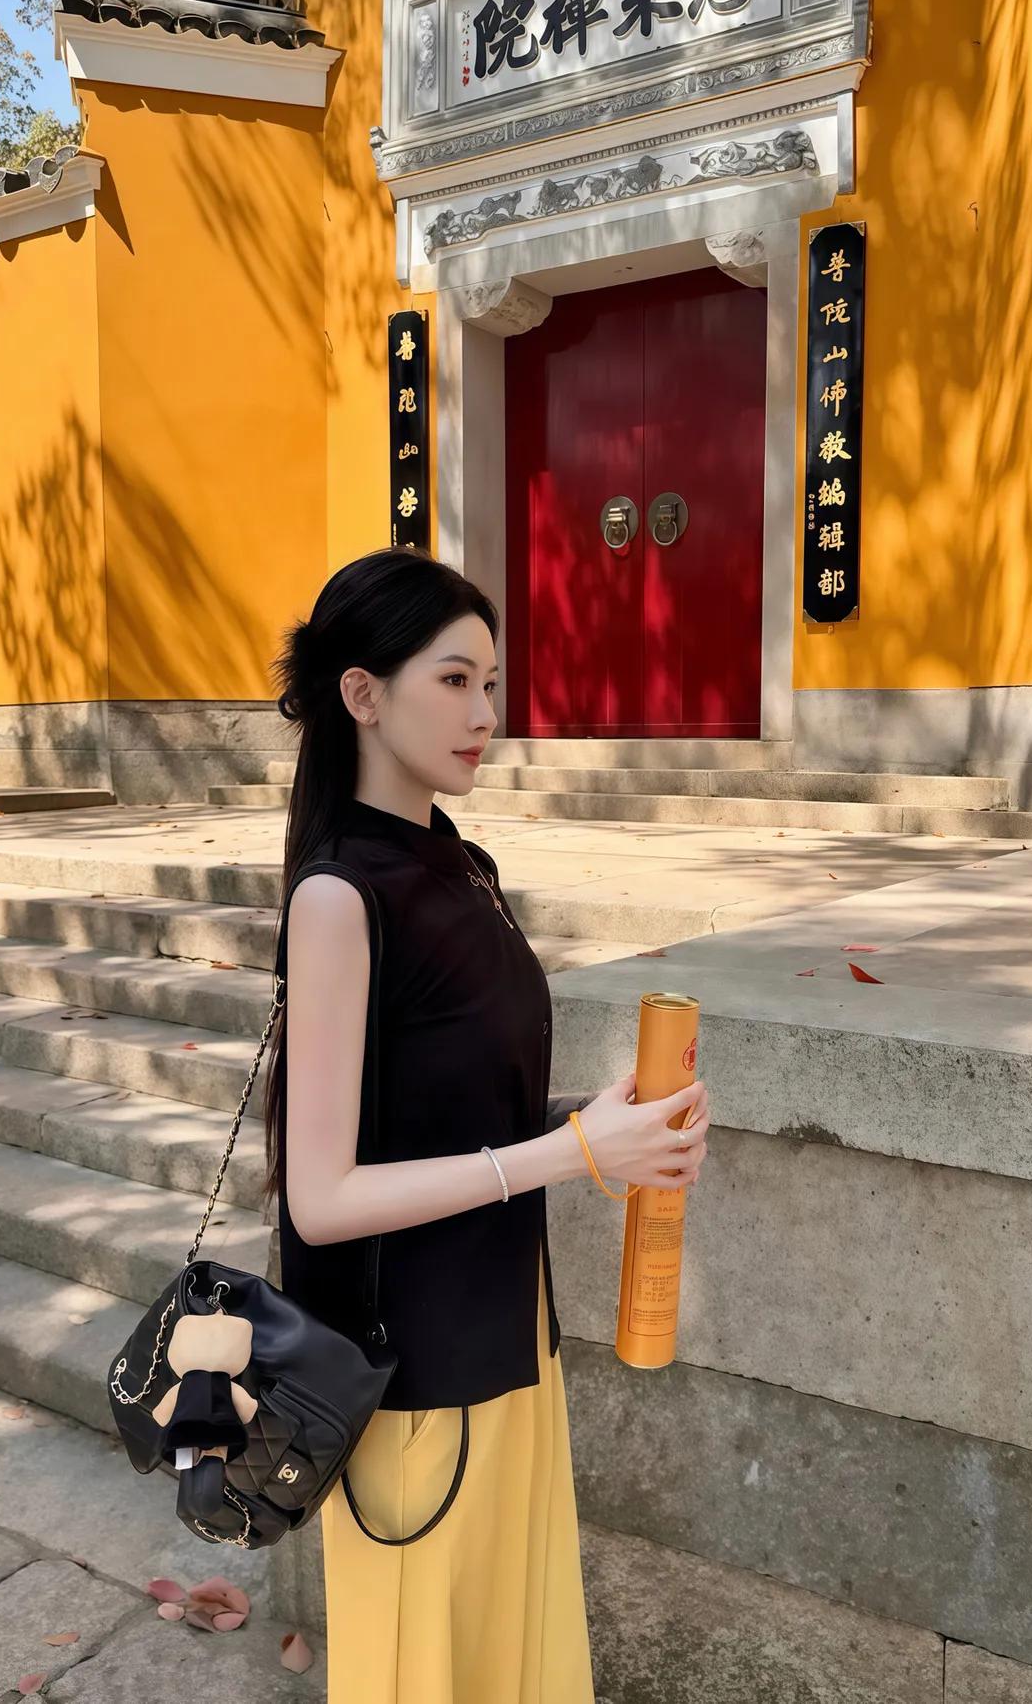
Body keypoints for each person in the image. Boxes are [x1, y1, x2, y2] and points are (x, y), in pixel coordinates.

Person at [261, 547, 710, 1703]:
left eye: (492, 683)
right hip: (408, 1380)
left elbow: (459, 1113)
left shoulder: (465, 866)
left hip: (511, 1344)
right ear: (361, 693)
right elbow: (323, 1195)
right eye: (454, 680)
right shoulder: (338, 896)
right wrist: (569, 1153)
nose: (485, 715)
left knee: (519, 1670)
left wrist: (602, 1125)